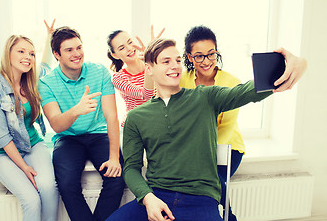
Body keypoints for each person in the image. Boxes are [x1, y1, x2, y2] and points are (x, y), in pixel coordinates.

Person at [106, 38, 307, 221]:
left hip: (201, 199)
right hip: (156, 197)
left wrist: (293, 66)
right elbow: (131, 168)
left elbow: (248, 91)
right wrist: (148, 198)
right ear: (149, 69)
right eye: (166, 61)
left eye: (177, 60)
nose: (175, 66)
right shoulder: (136, 117)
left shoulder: (205, 98)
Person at [179, 25, 307, 221]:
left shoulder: (231, 82)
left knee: (211, 181)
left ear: (216, 52)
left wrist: (203, 156)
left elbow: (227, 126)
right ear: (189, 57)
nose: (206, 61)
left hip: (227, 147)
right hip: (193, 148)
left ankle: (229, 217)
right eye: (199, 56)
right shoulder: (182, 81)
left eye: (211, 54)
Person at [38, 26, 125, 221]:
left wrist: (114, 157)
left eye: (79, 47)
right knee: (67, 184)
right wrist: (77, 109)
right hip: (68, 138)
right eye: (69, 50)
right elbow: (57, 125)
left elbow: (112, 117)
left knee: (117, 178)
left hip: (99, 134)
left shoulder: (100, 72)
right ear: (56, 54)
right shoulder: (46, 83)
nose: (77, 54)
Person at [0, 33, 59, 221]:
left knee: (48, 188)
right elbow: (2, 138)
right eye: (21, 51)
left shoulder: (30, 80)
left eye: (31, 54)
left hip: (33, 145)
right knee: (31, 199)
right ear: (8, 54)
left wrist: (48, 38)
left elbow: (45, 66)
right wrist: (24, 167)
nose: (27, 57)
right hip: (3, 154)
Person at [107, 26, 164, 128]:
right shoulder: (118, 78)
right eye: (122, 48)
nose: (129, 48)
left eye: (130, 42)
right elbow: (147, 95)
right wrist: (148, 63)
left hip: (158, 121)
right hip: (135, 127)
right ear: (115, 55)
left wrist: (156, 51)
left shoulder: (154, 64)